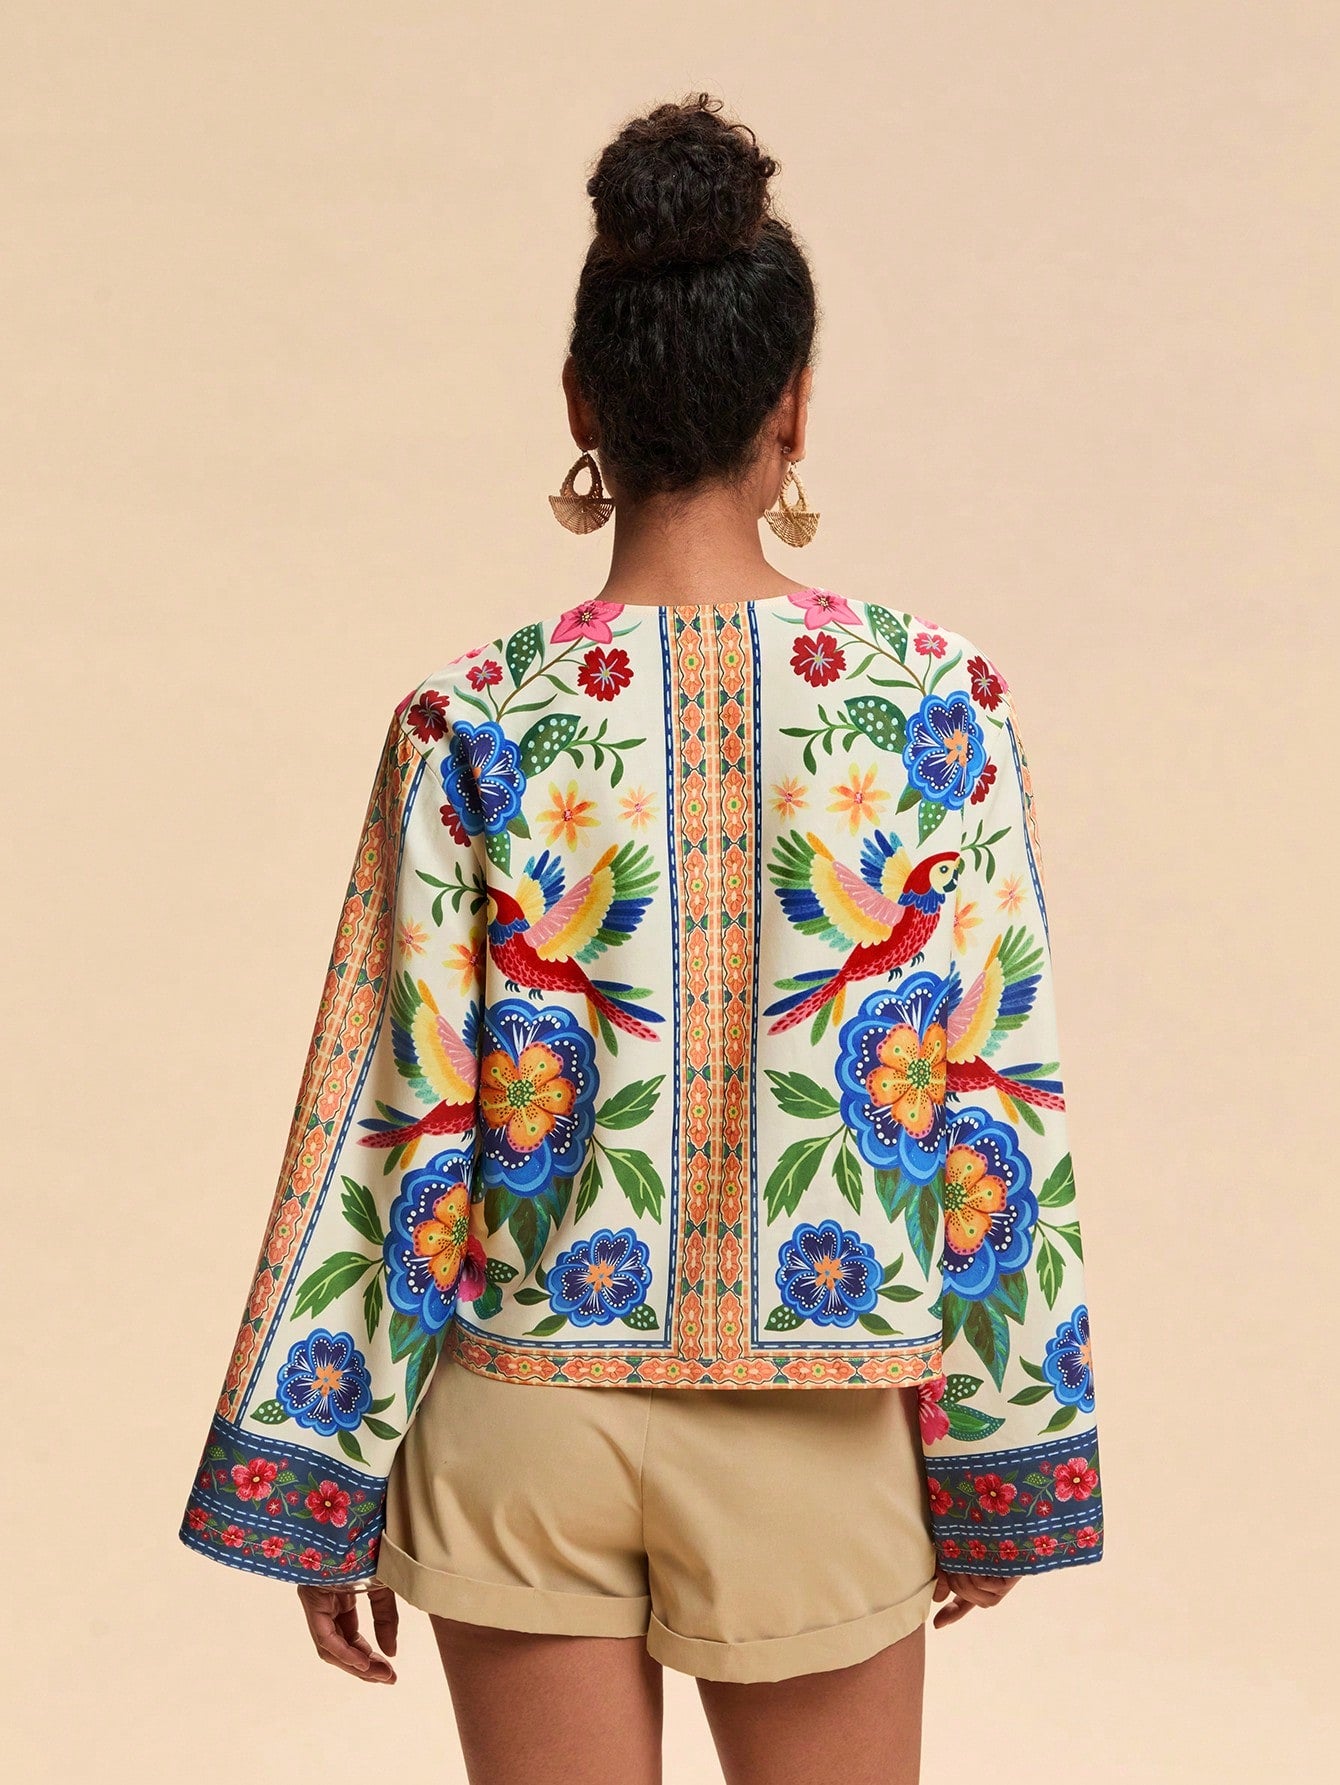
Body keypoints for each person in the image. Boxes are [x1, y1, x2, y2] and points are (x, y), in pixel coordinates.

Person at [179, 93, 1103, 1785]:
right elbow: (994, 1101)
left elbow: (393, 1111)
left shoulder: (470, 719)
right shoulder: (936, 708)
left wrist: (323, 1462)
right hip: (817, 1433)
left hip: (520, 1413)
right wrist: (1001, 1452)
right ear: (793, 403)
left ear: (582, 404)